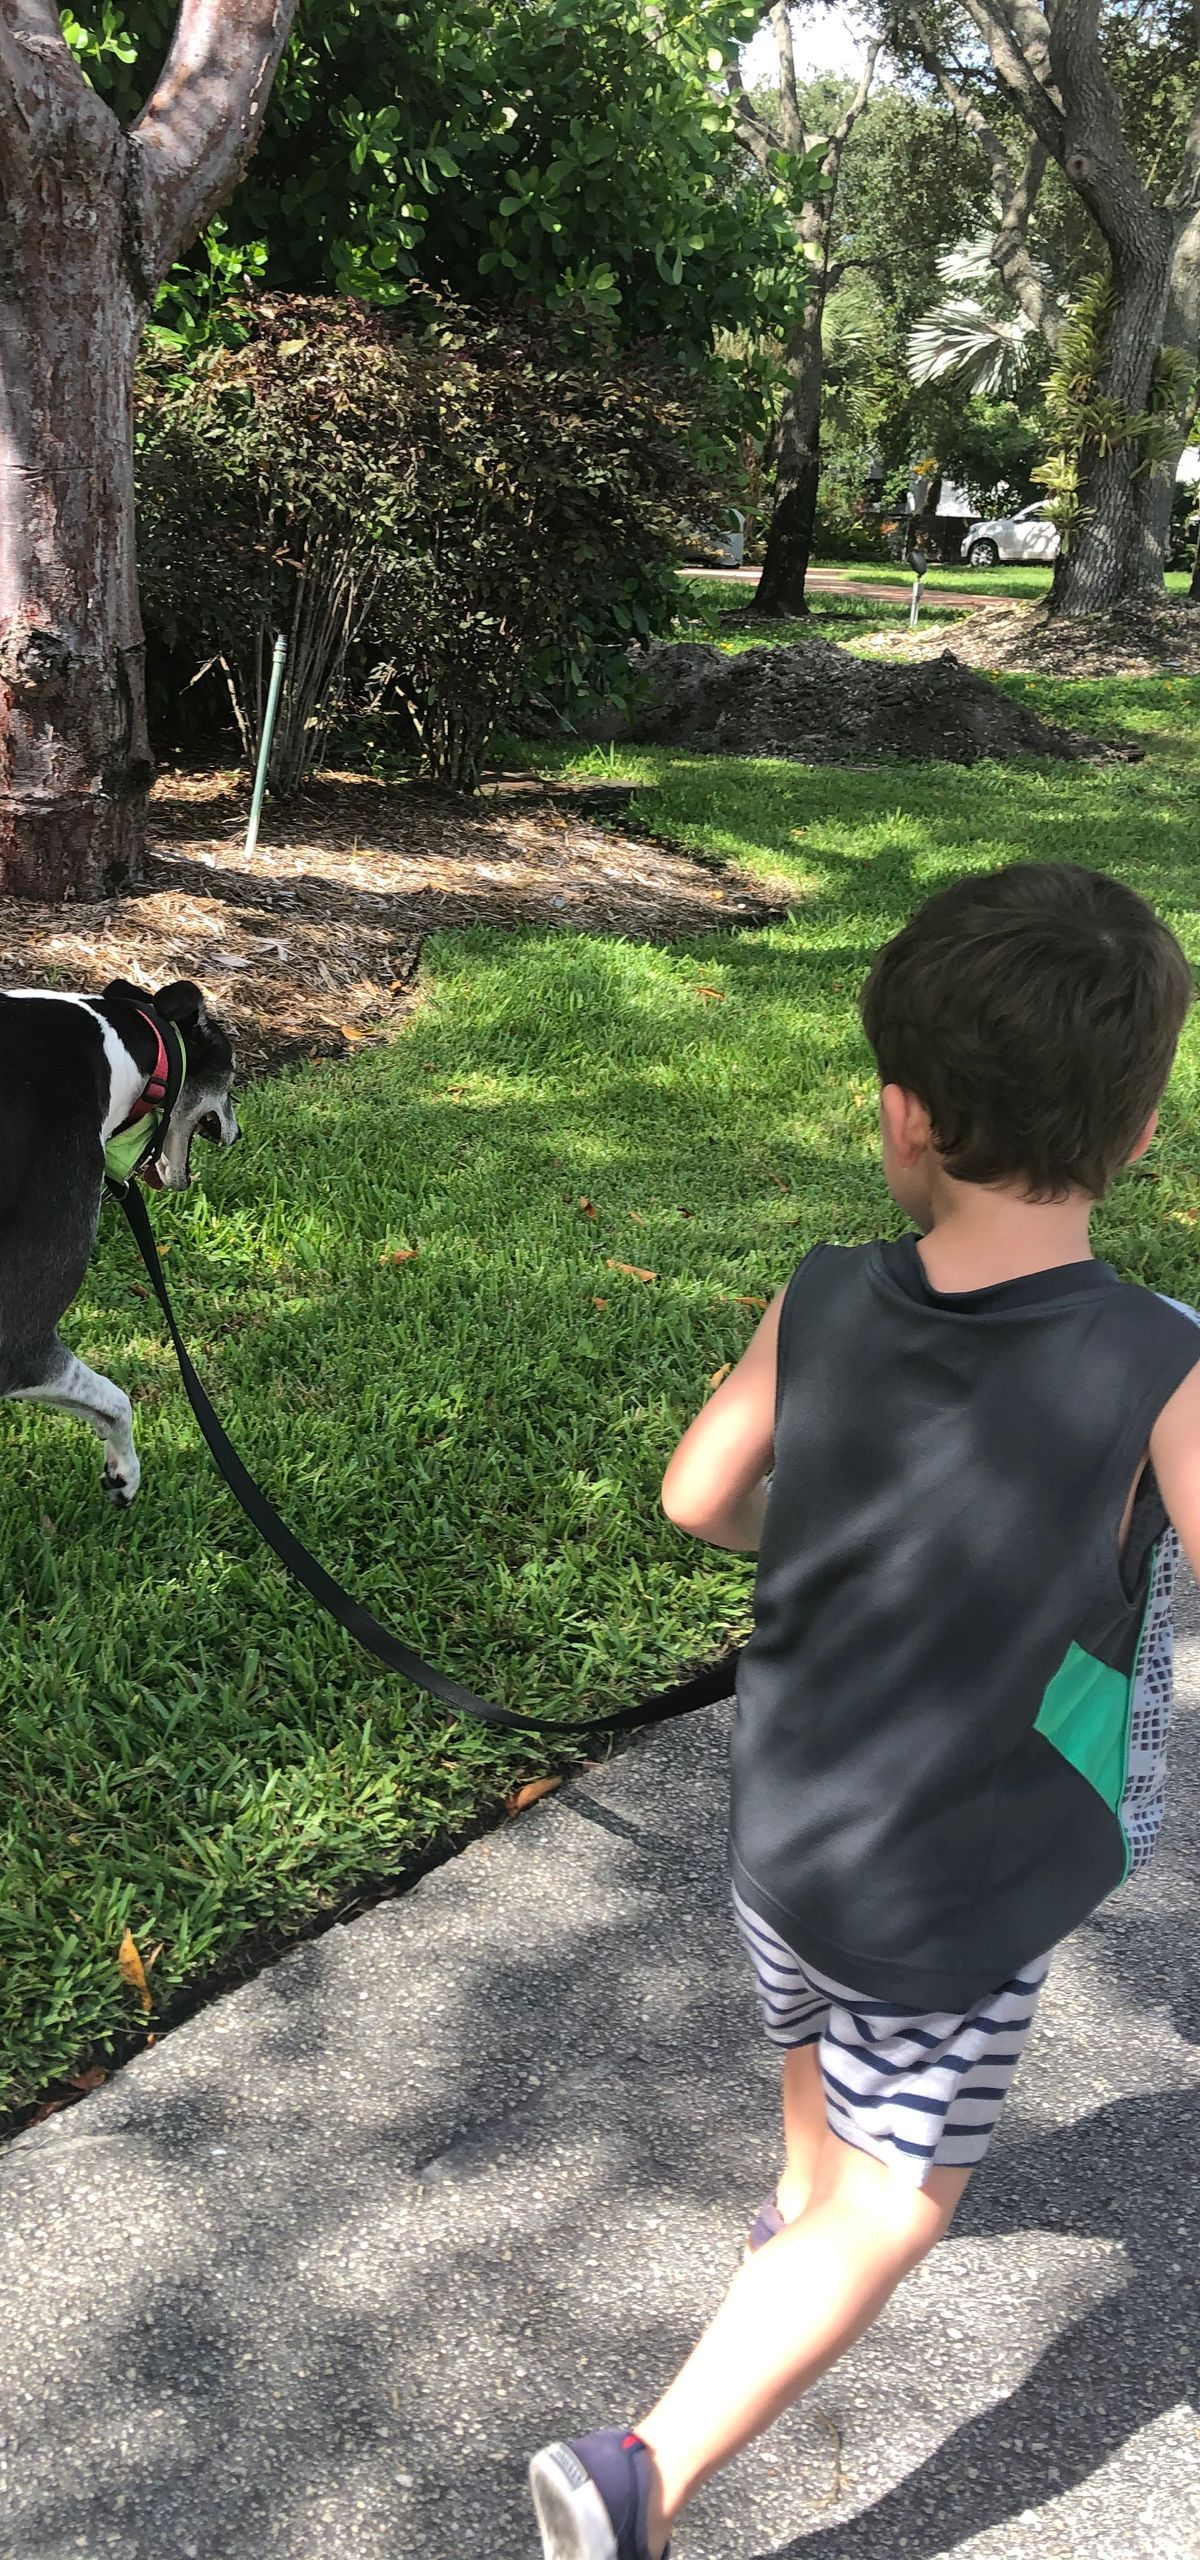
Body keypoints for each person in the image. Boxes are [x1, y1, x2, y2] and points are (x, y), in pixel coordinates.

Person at [528, 862, 1200, 2560]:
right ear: (1137, 1134)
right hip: (961, 1882)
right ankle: (641, 2475)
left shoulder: (822, 1293)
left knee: (817, 2050)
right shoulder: (1165, 1361)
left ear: (902, 1120)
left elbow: (699, 1498)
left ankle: (793, 2205)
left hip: (786, 1832)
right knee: (904, 2206)